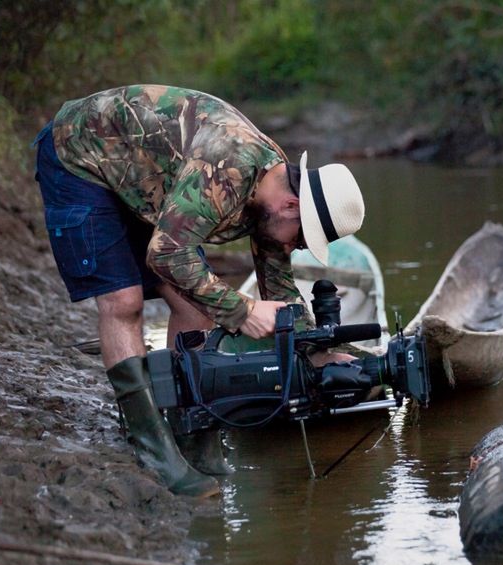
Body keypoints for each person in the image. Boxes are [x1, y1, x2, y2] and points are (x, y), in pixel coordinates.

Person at [34, 85, 365, 497]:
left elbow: (277, 285)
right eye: (302, 239)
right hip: (80, 156)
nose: (297, 247)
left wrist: (314, 348)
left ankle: (191, 429)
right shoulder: (228, 171)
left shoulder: (275, 189)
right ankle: (152, 449)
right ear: (291, 207)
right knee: (124, 301)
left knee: (198, 310)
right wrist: (244, 311)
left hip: (143, 178)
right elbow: (168, 254)